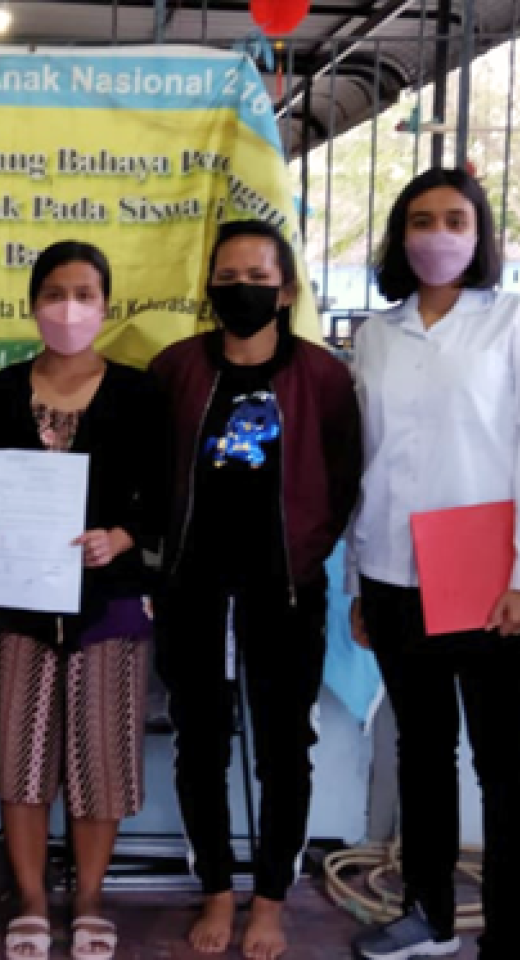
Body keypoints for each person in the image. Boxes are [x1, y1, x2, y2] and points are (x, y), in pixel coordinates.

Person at [149, 219, 361, 960]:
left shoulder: (326, 376)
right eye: (227, 278)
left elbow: (345, 479)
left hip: (287, 589)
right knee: (198, 744)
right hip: (191, 587)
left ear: (287, 290)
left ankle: (270, 897)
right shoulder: (175, 369)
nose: (242, 290)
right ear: (209, 286)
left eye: (257, 278)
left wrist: (308, 555)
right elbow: (150, 480)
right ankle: (214, 887)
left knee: (283, 747)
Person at [0, 241, 160, 960]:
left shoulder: (141, 394)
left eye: (84, 293)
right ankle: (29, 901)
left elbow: (165, 497)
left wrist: (125, 535)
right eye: (54, 292)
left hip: (108, 606)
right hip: (15, 604)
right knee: (22, 762)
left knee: (98, 763)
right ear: (32, 303)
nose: (68, 307)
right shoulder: (0, 391)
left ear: (106, 306)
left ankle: (86, 901)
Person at [349, 167, 520, 960]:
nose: (439, 234)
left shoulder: (511, 323)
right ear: (399, 234)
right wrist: (356, 580)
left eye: (456, 219)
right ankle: (429, 917)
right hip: (392, 571)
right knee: (422, 753)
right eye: (422, 219)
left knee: (501, 758)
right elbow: (366, 462)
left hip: (489, 578)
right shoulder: (376, 334)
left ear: (481, 233)